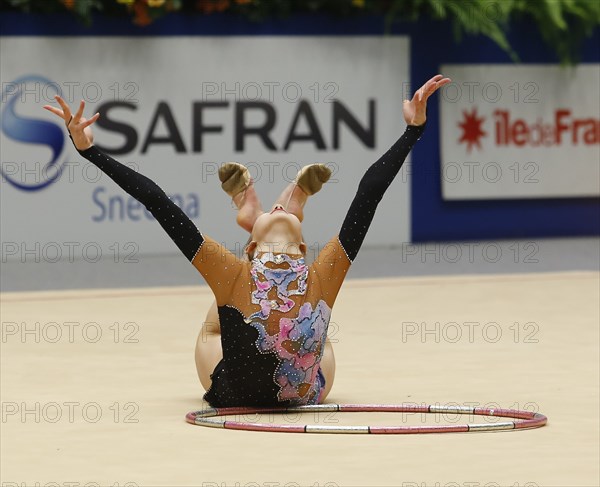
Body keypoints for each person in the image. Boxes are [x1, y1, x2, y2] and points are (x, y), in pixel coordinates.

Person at [43, 74, 451, 407]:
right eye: (276, 215)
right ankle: (287, 202)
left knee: (218, 328)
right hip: (288, 390)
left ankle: (253, 210)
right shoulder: (319, 273)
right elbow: (155, 200)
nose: (277, 217)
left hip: (292, 389)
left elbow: (369, 193)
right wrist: (89, 153)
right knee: (313, 336)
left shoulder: (241, 272)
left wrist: (413, 132)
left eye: (279, 214)